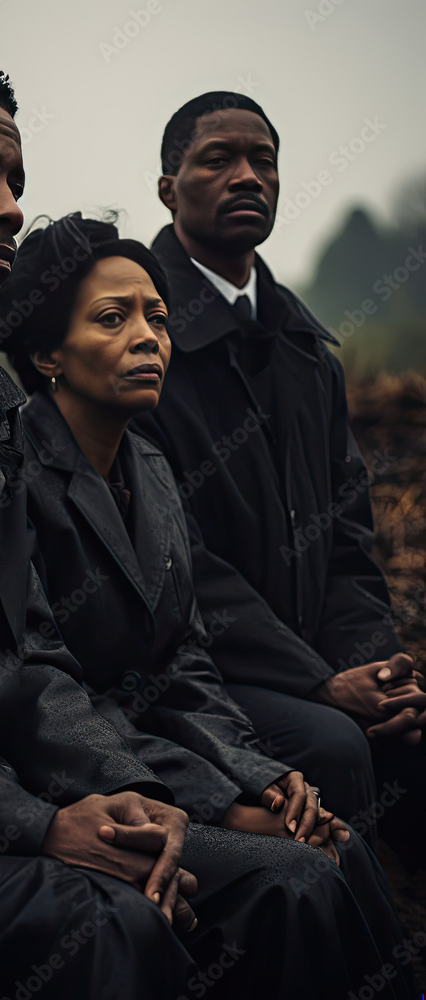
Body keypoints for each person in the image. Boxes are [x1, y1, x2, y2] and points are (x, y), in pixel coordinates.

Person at [0, 54, 411, 1000]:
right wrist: (34, 825)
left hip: (3, 805)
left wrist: (161, 799)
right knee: (113, 921)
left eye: (16, 181)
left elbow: (32, 663)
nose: (11, 208)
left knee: (297, 879)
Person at [0, 211, 415, 997]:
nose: (148, 336)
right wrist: (217, 804)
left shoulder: (148, 469)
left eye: (156, 315)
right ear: (47, 353)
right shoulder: (8, 480)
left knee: (338, 842)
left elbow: (184, 661)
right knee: (294, 877)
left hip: (164, 757)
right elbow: (44, 694)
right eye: (112, 319)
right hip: (73, 786)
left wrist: (260, 778)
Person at [132, 92, 426, 850]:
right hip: (196, 675)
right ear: (168, 188)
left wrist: (372, 671)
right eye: (218, 160)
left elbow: (348, 537)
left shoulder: (304, 350)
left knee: (407, 722)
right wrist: (318, 684)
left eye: (262, 160)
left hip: (317, 665)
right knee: (332, 746)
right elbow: (179, 562)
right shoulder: (142, 345)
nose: (247, 177)